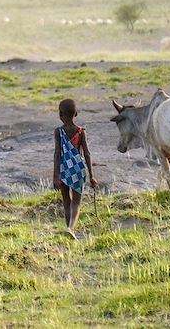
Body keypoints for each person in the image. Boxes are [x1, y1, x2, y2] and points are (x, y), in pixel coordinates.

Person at [53, 98, 97, 237]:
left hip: (64, 169)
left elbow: (57, 154)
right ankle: (71, 228)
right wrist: (91, 175)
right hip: (78, 169)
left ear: (60, 115)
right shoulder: (80, 131)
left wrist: (56, 175)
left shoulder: (58, 132)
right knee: (76, 202)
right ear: (76, 113)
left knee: (67, 202)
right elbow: (87, 154)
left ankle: (68, 228)